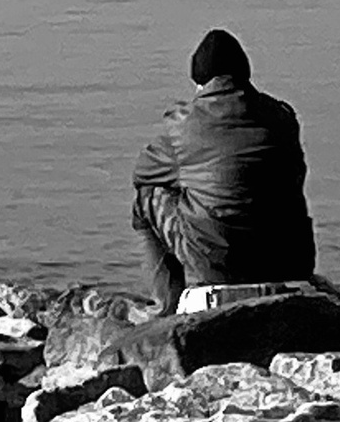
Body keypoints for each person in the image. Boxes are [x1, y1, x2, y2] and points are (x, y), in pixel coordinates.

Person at [130, 29, 317, 311]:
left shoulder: (184, 124)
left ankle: (167, 307)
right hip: (290, 260)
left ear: (198, 83)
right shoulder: (282, 118)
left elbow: (142, 173)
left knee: (146, 198)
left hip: (219, 267)